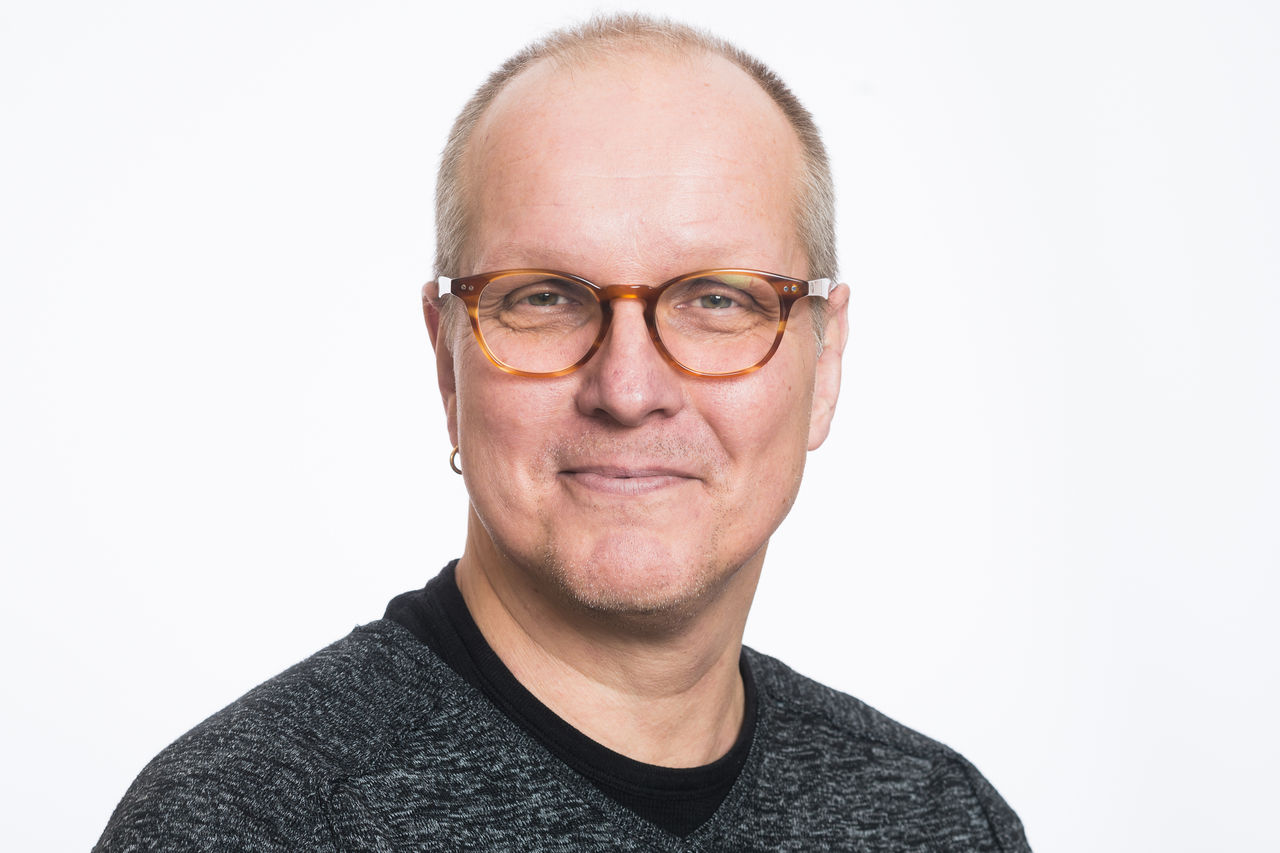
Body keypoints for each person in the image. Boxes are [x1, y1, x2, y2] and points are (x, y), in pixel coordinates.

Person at [97, 14, 1030, 851]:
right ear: (447, 361)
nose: (628, 389)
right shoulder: (245, 823)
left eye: (718, 299)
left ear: (824, 366)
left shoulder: (941, 821)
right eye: (545, 298)